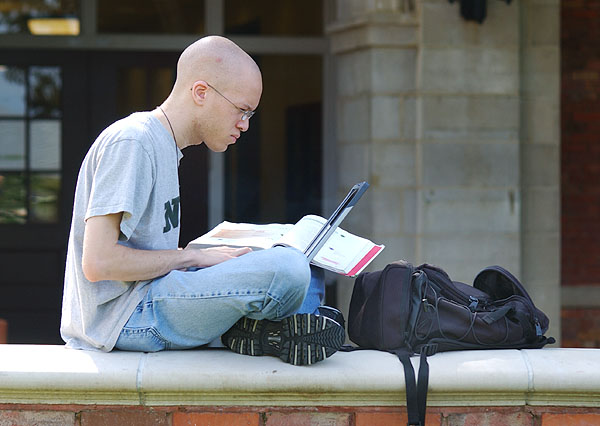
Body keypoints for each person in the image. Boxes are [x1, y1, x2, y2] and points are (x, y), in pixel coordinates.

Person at [60, 36, 345, 366]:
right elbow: (98, 263)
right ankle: (265, 329)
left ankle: (265, 331)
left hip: (156, 297)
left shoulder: (167, 149)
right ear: (200, 92)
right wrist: (189, 258)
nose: (245, 124)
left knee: (308, 267)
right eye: (242, 109)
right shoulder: (133, 141)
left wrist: (206, 256)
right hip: (125, 318)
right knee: (289, 269)